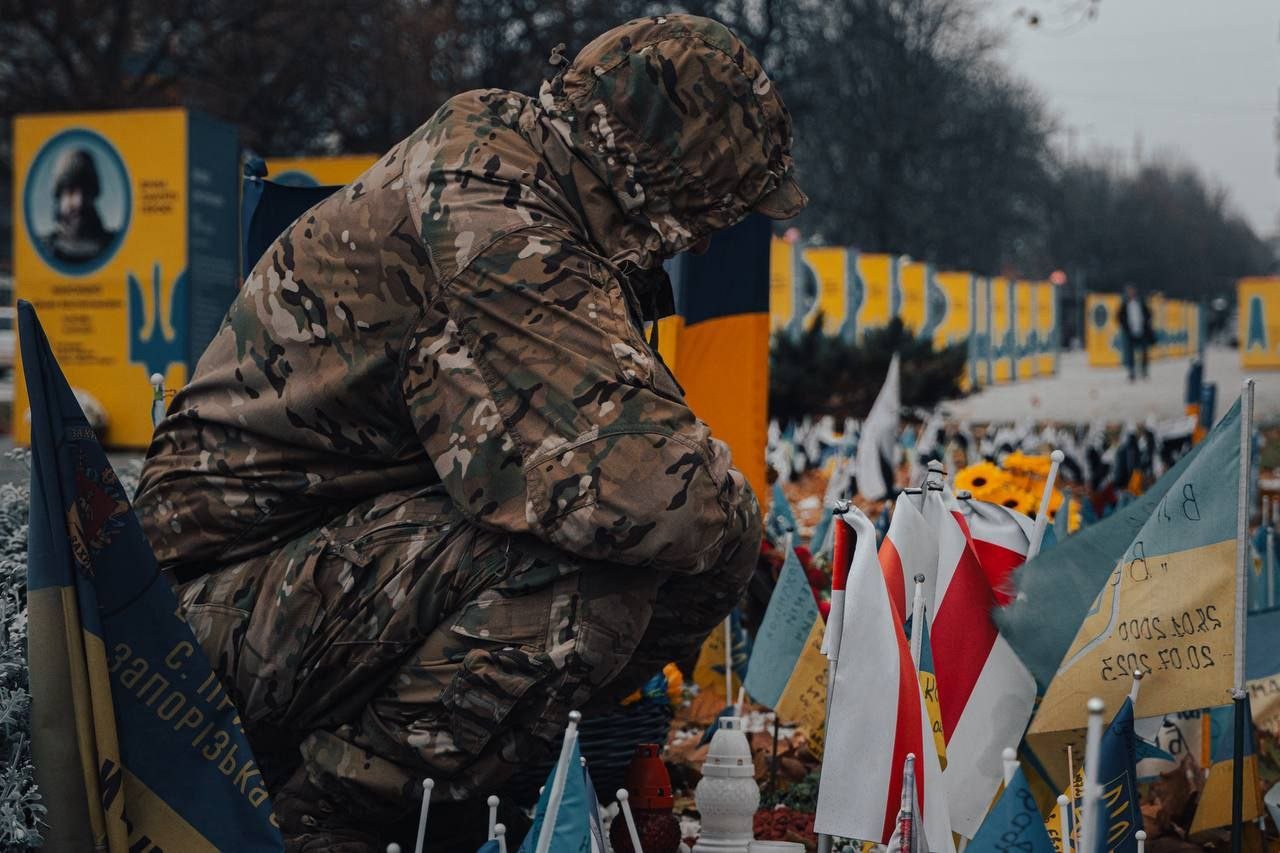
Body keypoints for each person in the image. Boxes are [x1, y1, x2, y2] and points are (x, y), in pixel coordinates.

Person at [134, 14, 804, 853]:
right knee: (589, 575)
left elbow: (646, 466)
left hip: (290, 588)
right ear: (667, 176)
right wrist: (725, 521)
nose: (705, 240)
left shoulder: (537, 182)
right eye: (716, 207)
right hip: (192, 628)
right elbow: (635, 488)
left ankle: (453, 784)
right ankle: (331, 818)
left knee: (660, 549)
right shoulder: (496, 213)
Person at [41, 147, 117, 265]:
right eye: (70, 191)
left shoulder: (115, 246)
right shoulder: (43, 250)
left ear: (94, 195)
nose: (79, 202)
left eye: (86, 191)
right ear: (59, 198)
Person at [1116, 284, 1153, 381]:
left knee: (1144, 352)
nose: (1131, 293)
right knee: (1130, 353)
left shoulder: (1141, 302)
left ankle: (1144, 371)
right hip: (1130, 332)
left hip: (1142, 331)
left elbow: (1149, 313)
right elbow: (1119, 316)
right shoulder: (1125, 304)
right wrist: (1126, 326)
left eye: (1132, 291)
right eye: (1130, 291)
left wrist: (1145, 323)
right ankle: (1132, 372)